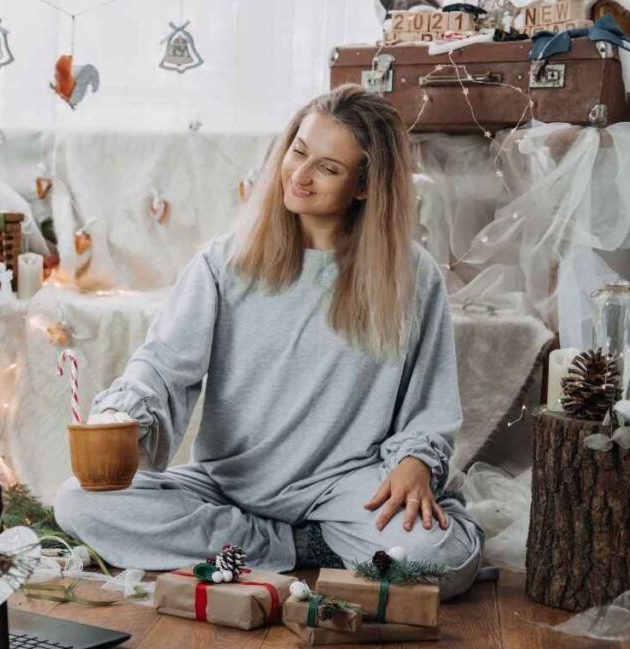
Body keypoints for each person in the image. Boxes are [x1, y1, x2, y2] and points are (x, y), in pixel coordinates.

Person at [53, 84, 483, 599]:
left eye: (327, 167)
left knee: (437, 558)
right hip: (227, 487)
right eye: (298, 151)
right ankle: (294, 546)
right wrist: (122, 416)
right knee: (79, 502)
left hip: (345, 487)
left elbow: (430, 402)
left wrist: (416, 461)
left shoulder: (413, 276)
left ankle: (275, 544)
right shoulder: (223, 263)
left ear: (365, 187)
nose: (299, 176)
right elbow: (163, 366)